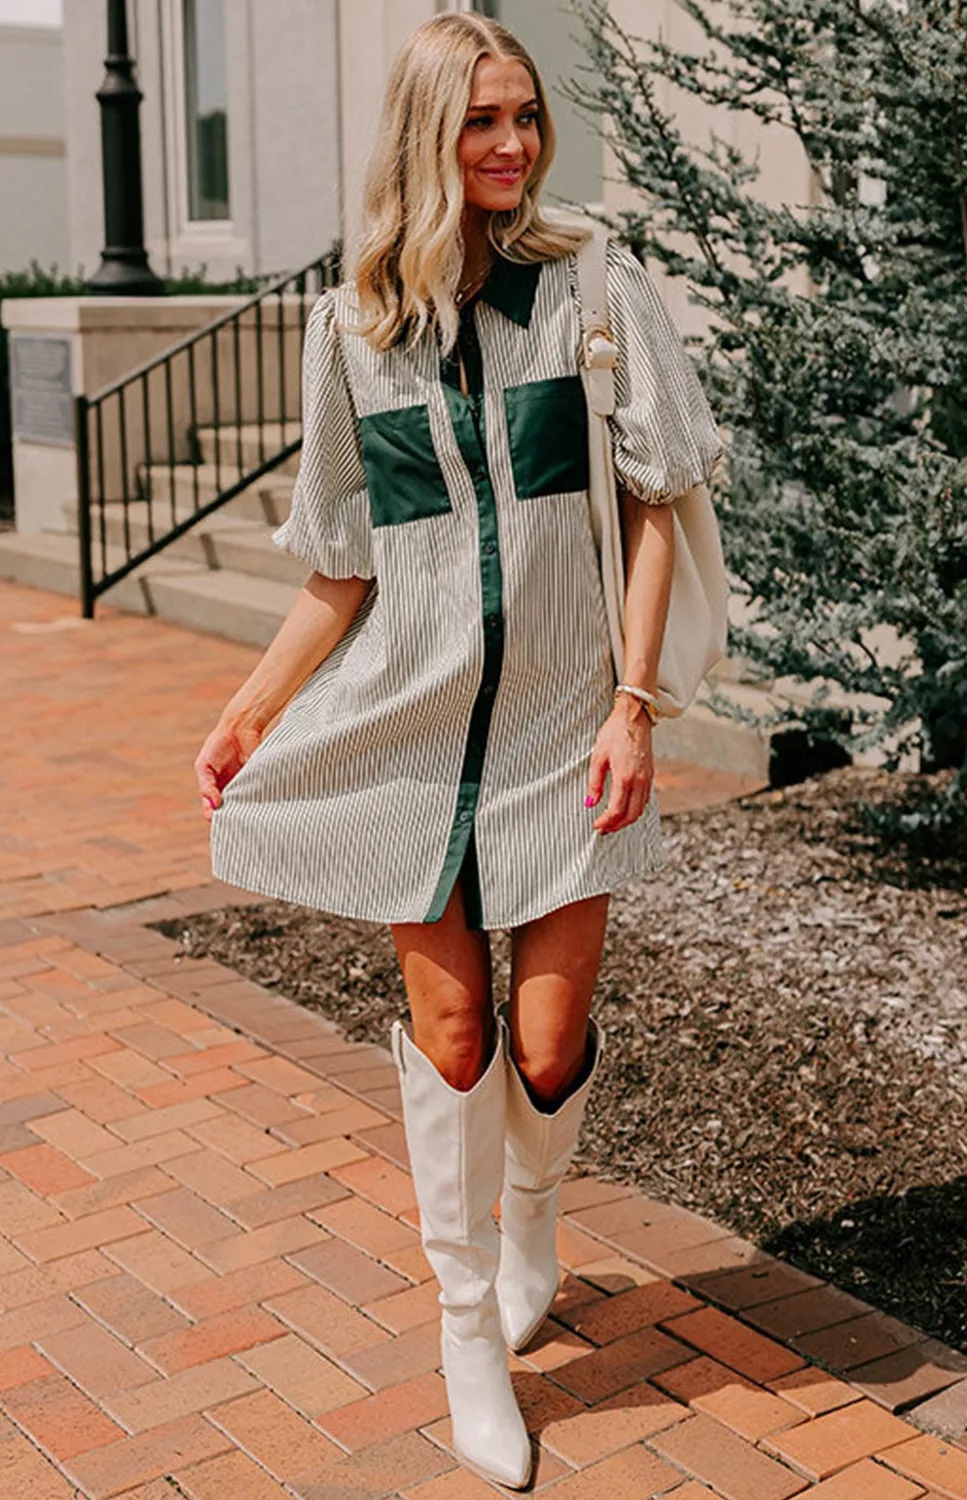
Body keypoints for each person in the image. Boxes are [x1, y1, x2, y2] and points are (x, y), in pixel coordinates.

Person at [194, 11, 722, 1490]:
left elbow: (651, 507)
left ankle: (535, 1215)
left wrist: (634, 707)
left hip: (570, 730)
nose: (511, 146)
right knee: (455, 1036)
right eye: (482, 121)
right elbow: (339, 566)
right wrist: (249, 711)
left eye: (526, 118)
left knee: (547, 1045)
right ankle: (466, 1329)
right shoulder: (349, 332)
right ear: (428, 135)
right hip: (416, 735)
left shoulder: (595, 285)